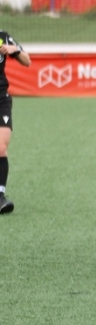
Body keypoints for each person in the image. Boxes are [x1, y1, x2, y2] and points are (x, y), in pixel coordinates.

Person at [0, 31, 31, 215]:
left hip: (1, 99)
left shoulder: (3, 37)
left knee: (1, 148)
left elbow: (27, 61)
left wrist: (15, 49)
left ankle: (0, 197)